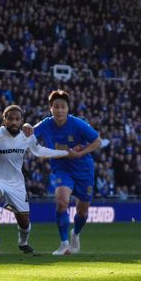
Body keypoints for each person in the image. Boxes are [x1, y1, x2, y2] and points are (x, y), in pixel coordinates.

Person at [0, 104, 72, 255]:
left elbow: (39, 151)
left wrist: (65, 153)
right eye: (10, 119)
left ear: (22, 120)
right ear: (4, 120)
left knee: (24, 223)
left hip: (16, 182)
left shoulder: (27, 136)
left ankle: (23, 243)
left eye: (17, 119)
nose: (14, 122)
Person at [32, 90, 102, 256]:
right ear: (51, 108)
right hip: (61, 169)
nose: (60, 110)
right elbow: (28, 135)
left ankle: (75, 234)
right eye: (56, 107)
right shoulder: (45, 124)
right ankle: (63, 244)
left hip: (83, 169)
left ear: (68, 108)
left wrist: (80, 152)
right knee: (62, 201)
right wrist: (27, 127)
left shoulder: (77, 124)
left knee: (83, 212)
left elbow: (97, 141)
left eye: (63, 107)